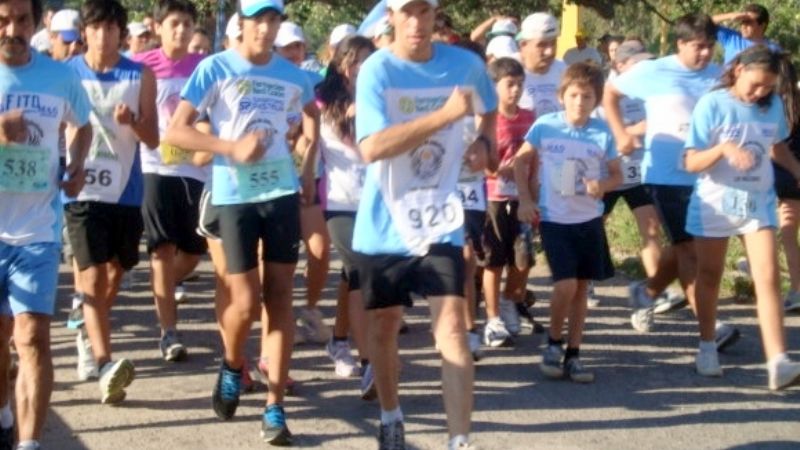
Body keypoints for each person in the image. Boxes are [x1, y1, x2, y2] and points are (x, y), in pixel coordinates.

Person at [166, 0, 319, 444]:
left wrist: (306, 167)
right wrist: (230, 148)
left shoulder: (293, 74)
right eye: (261, 20)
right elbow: (177, 131)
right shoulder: (215, 68)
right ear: (243, 23)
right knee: (246, 302)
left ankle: (274, 408)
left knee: (280, 298)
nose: (268, 29)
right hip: (235, 196)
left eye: (275, 20)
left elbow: (311, 115)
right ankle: (233, 362)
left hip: (281, 193)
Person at [354, 0, 497, 447]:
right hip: (383, 220)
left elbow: (488, 111)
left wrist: (483, 143)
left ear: (436, 15)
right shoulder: (376, 70)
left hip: (440, 217)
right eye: (407, 12)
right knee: (384, 326)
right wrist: (444, 116)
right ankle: (391, 413)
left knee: (453, 327)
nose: (416, 22)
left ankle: (459, 440)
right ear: (391, 17)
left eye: (424, 11)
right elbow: (372, 147)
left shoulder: (465, 64)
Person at [604, 13, 740, 350]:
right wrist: (620, 132)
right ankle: (711, 327)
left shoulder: (718, 75)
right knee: (689, 249)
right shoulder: (653, 71)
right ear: (680, 44)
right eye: (698, 47)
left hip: (707, 175)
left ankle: (646, 291)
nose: (706, 53)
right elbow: (610, 92)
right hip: (666, 174)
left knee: (687, 247)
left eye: (710, 46)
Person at [0, 0, 92, 448]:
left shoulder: (60, 76)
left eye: (21, 20)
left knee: (32, 336)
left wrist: (75, 164)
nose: (11, 29)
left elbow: (84, 125)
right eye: (2, 20)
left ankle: (30, 443)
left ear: (36, 23)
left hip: (38, 227)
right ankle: (3, 408)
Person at [683, 46, 800, 389]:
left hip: (757, 202)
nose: (760, 93)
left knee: (768, 278)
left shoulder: (773, 106)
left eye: (768, 87)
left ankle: (778, 361)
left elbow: (775, 145)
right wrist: (723, 149)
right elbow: (690, 162)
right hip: (714, 204)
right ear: (738, 70)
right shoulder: (712, 104)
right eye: (756, 85)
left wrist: (795, 168)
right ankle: (707, 346)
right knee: (710, 275)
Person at [63, 0, 158, 404]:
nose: (103, 35)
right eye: (95, 27)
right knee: (93, 279)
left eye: (110, 27)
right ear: (85, 32)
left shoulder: (140, 74)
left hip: (125, 190)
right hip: (81, 189)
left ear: (121, 31)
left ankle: (87, 325)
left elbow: (153, 138)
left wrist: (132, 122)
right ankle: (104, 364)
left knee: (116, 273)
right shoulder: (67, 73)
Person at [516, 62, 621, 383]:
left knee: (580, 290)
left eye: (587, 96)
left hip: (588, 219)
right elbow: (520, 161)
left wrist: (601, 186)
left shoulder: (602, 133)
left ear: (597, 100)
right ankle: (553, 343)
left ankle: (574, 353)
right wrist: (525, 198)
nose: (580, 102)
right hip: (554, 218)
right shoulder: (546, 126)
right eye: (574, 95)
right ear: (562, 96)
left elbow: (617, 174)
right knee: (565, 285)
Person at [132, 0, 206, 363]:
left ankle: (163, 288)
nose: (181, 30)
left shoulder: (203, 67)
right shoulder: (143, 66)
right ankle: (169, 332)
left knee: (194, 252)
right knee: (161, 249)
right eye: (174, 23)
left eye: (187, 24)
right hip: (154, 167)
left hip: (195, 170)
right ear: (159, 27)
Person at [595, 40, 686, 313]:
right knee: (591, 229)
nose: (645, 69)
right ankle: (584, 280)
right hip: (607, 172)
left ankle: (658, 290)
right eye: (637, 64)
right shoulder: (604, 90)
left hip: (638, 171)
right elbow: (596, 130)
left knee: (651, 229)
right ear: (619, 65)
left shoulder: (651, 91)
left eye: (648, 63)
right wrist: (631, 131)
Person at [317, 35, 376, 388]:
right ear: (341, 64)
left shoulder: (381, 97)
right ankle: (371, 362)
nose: (361, 68)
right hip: (338, 202)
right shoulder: (323, 99)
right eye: (355, 61)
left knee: (351, 276)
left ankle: (339, 341)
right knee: (360, 273)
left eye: (369, 61)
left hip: (376, 202)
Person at [274, 20, 332, 346]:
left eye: (298, 46)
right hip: (271, 183)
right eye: (287, 48)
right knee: (275, 262)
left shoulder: (313, 80)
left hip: (307, 178)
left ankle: (309, 311)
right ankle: (275, 322)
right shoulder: (264, 79)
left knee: (321, 249)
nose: (295, 53)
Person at [482, 56, 535, 346]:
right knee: (494, 261)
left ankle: (508, 301)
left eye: (519, 84)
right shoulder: (489, 119)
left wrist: (534, 190)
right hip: (493, 197)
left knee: (523, 259)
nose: (515, 90)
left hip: (522, 197)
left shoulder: (529, 117)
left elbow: (535, 156)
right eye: (509, 84)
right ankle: (492, 319)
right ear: (495, 87)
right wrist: (496, 169)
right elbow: (483, 161)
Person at [775, 60, 800, 312]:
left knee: (789, 235)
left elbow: (774, 147)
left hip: (785, 176)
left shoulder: (774, 106)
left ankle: (796, 289)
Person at [712, 3, 780, 65]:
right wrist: (730, 16)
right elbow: (706, 22)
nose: (744, 26)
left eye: (748, 22)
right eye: (742, 21)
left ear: (762, 25)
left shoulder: (773, 49)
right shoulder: (732, 38)